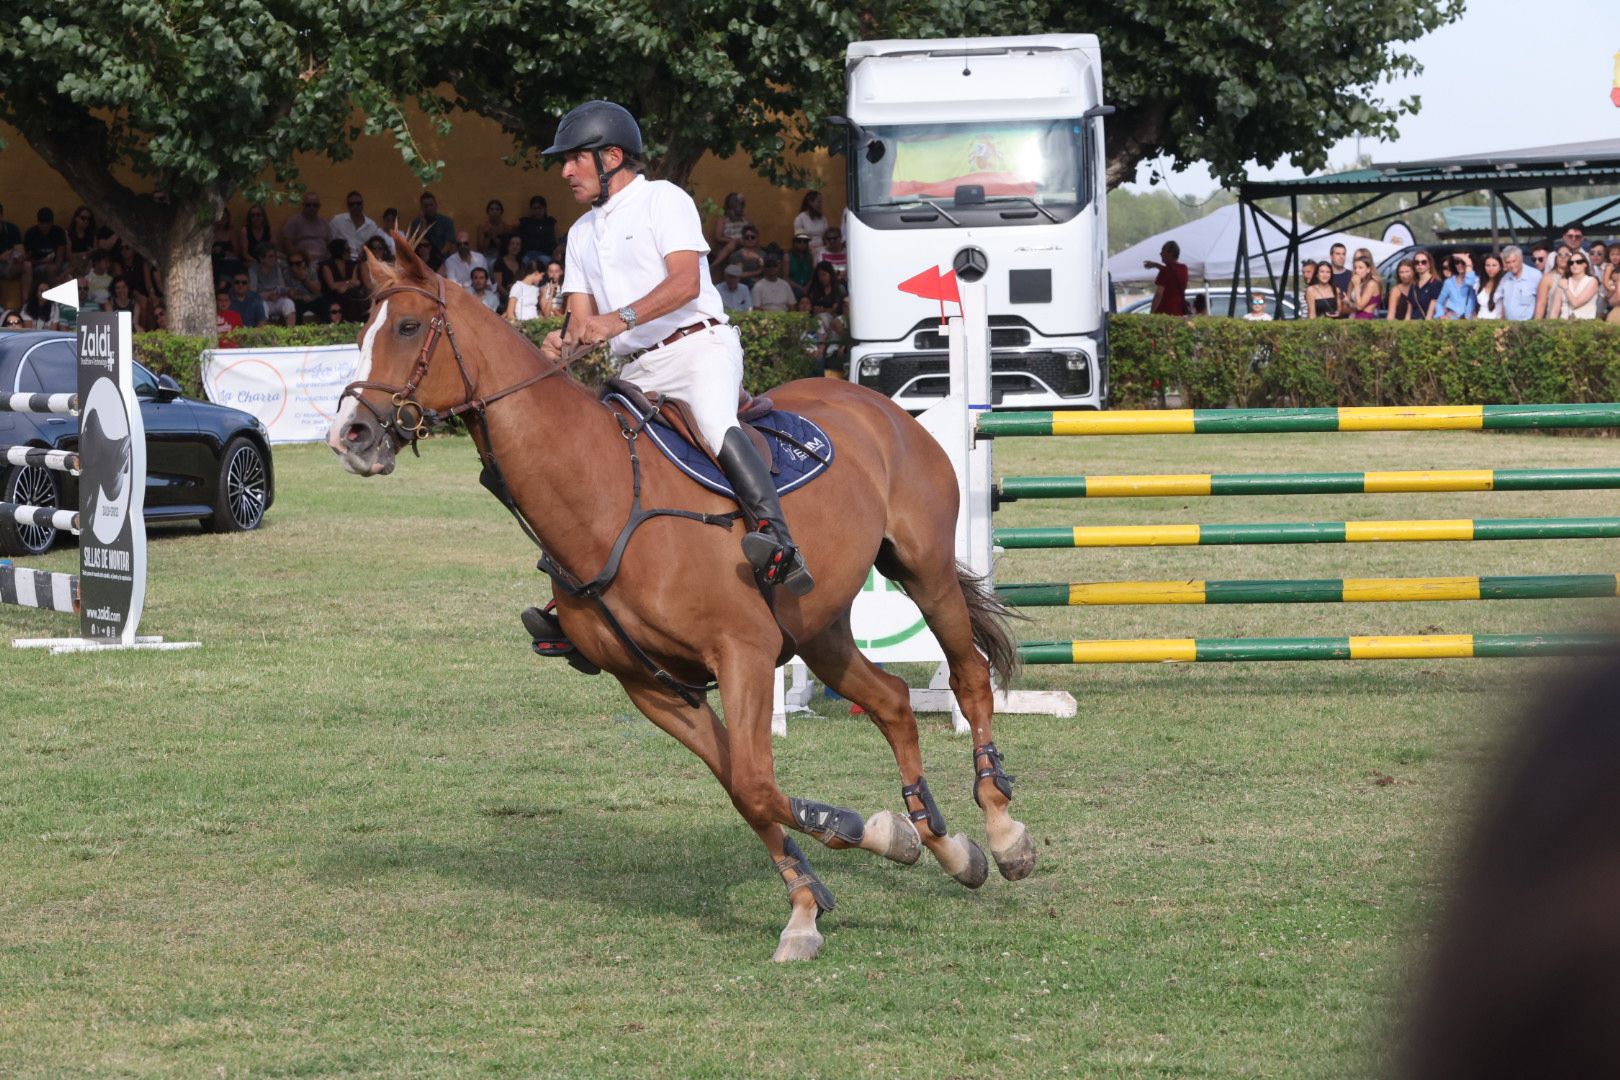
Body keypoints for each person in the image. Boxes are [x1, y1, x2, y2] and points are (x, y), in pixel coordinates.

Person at [537, 99, 812, 595]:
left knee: (712, 421)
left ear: (612, 158)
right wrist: (563, 340)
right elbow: (582, 321)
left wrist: (614, 320)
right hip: (636, 370)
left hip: (697, 349)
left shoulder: (663, 199)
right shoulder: (579, 233)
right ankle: (573, 588)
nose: (565, 172)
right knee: (590, 453)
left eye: (574, 158)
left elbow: (685, 283)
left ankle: (778, 541)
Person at [281, 191, 333, 269]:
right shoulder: (294, 221)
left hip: (323, 262)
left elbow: (330, 244)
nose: (311, 207)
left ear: (319, 207)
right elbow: (287, 243)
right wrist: (298, 258)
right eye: (308, 205)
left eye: (315, 205)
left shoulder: (324, 223)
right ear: (303, 205)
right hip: (303, 263)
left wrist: (327, 260)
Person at [249, 244, 298, 326]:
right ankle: (262, 334)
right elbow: (252, 293)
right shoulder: (253, 269)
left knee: (289, 303)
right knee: (261, 307)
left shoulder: (277, 267)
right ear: (261, 258)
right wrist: (268, 295)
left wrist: (288, 291)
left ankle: (291, 332)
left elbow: (281, 287)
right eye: (270, 257)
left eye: (275, 256)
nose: (274, 259)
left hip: (277, 298)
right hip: (263, 300)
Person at [321, 237, 367, 322]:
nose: (350, 252)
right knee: (350, 297)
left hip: (349, 292)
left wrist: (345, 286)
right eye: (347, 250)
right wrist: (348, 283)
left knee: (356, 296)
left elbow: (356, 282)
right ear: (339, 251)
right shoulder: (327, 266)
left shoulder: (353, 264)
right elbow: (332, 286)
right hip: (331, 294)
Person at [330, 190, 382, 261]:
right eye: (352, 204)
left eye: (358, 203)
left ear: (362, 204)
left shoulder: (371, 225)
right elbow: (330, 241)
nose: (355, 206)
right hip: (341, 261)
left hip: (363, 261)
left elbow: (375, 246)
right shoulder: (337, 221)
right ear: (347, 206)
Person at [23, 207, 67, 286]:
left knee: (71, 268)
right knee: (51, 269)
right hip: (37, 266)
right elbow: (27, 260)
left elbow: (60, 255)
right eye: (42, 223)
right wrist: (43, 261)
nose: (45, 226)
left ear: (52, 222)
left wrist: (57, 267)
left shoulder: (59, 232)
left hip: (57, 264)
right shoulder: (31, 234)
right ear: (38, 222)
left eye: (47, 223)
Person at [1549, 250, 1600, 319]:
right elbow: (1555, 310)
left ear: (1585, 264)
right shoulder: (1563, 281)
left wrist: (1566, 288)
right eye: (1571, 263)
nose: (1574, 264)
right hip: (1564, 324)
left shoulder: (1592, 281)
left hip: (1586, 325)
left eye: (1579, 262)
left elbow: (1576, 303)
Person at [1144, 240, 1188, 315]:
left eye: (1163, 251)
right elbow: (1172, 272)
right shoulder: (1184, 268)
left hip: (1165, 313)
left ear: (1170, 254)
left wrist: (1151, 314)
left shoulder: (1165, 271)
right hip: (1179, 312)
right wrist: (1156, 265)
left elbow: (1158, 295)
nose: (1160, 254)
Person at [1497, 245, 1541, 321]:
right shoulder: (1505, 278)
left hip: (1528, 326)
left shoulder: (1536, 275)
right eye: (1508, 262)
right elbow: (1503, 304)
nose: (1511, 265)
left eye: (1514, 261)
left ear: (1521, 259)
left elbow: (1541, 302)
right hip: (1508, 326)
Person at [409, 191, 456, 256]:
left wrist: (438, 258)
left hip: (442, 258)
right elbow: (418, 243)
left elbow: (449, 244)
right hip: (423, 259)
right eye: (425, 206)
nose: (429, 208)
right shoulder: (416, 223)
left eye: (431, 205)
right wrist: (423, 223)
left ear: (436, 205)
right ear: (421, 207)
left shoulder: (446, 221)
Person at [516, 196, 557, 267]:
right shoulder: (526, 222)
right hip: (528, 255)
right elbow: (510, 227)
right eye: (535, 208)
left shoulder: (549, 222)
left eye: (540, 208)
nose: (537, 211)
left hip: (545, 255)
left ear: (544, 208)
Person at [0, 202, 28, 300]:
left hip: (9, 266)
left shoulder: (12, 229)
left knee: (27, 265)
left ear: (1, 216)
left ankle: (26, 304)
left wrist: (18, 256)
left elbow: (21, 251)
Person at [1436, 255, 1478, 319]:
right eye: (1457, 262)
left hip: (1469, 320)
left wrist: (1468, 263)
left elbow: (1470, 282)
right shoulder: (1449, 282)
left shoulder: (1475, 278)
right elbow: (1439, 302)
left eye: (1463, 262)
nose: (1460, 265)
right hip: (1451, 320)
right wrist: (1441, 315)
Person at [806, 260, 846, 325]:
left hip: (835, 318)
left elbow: (835, 308)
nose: (821, 278)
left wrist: (824, 310)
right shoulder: (815, 288)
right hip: (817, 318)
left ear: (830, 274)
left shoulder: (838, 288)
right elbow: (812, 305)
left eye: (824, 274)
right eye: (819, 275)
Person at [793, 190, 828, 262]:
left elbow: (826, 235)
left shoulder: (823, 218)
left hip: (823, 249)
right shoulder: (800, 218)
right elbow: (799, 240)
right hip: (808, 252)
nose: (820, 204)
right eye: (818, 202)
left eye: (821, 202)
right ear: (810, 202)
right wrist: (812, 249)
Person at [1534, 250, 1570, 319]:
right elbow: (1541, 304)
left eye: (1566, 254)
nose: (1563, 257)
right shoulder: (1547, 278)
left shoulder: (1575, 277)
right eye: (1560, 255)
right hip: (1552, 321)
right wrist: (1536, 325)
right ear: (1556, 258)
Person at [1345, 253, 1383, 319]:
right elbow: (1355, 305)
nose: (1357, 270)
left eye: (1360, 268)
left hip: (1365, 319)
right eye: (1355, 268)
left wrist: (1357, 286)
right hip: (1356, 317)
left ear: (1368, 270)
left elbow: (1359, 307)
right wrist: (1348, 302)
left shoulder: (1372, 283)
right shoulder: (1362, 282)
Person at [1410, 250, 1442, 319]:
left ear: (1429, 264)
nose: (1420, 264)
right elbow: (1409, 309)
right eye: (1417, 262)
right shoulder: (1413, 285)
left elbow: (1432, 309)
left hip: (1427, 324)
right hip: (1413, 323)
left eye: (1423, 262)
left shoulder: (1435, 283)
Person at [1473, 253, 1505, 321]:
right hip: (1479, 321)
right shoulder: (1478, 282)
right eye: (1488, 265)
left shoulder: (1504, 283)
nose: (1490, 268)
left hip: (1497, 323)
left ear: (1500, 267)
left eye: (1494, 265)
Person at [65, 206, 97, 271]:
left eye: (88, 219)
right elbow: (68, 256)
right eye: (83, 218)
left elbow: (95, 252)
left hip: (88, 263)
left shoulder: (92, 234)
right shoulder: (68, 233)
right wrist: (86, 254)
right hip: (71, 264)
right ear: (76, 218)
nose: (86, 221)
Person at [787, 232, 814, 298]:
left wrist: (807, 287)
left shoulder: (810, 257)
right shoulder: (788, 257)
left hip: (808, 287)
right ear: (794, 243)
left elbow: (812, 276)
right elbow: (786, 279)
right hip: (793, 287)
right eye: (799, 241)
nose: (802, 244)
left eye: (805, 241)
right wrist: (801, 288)